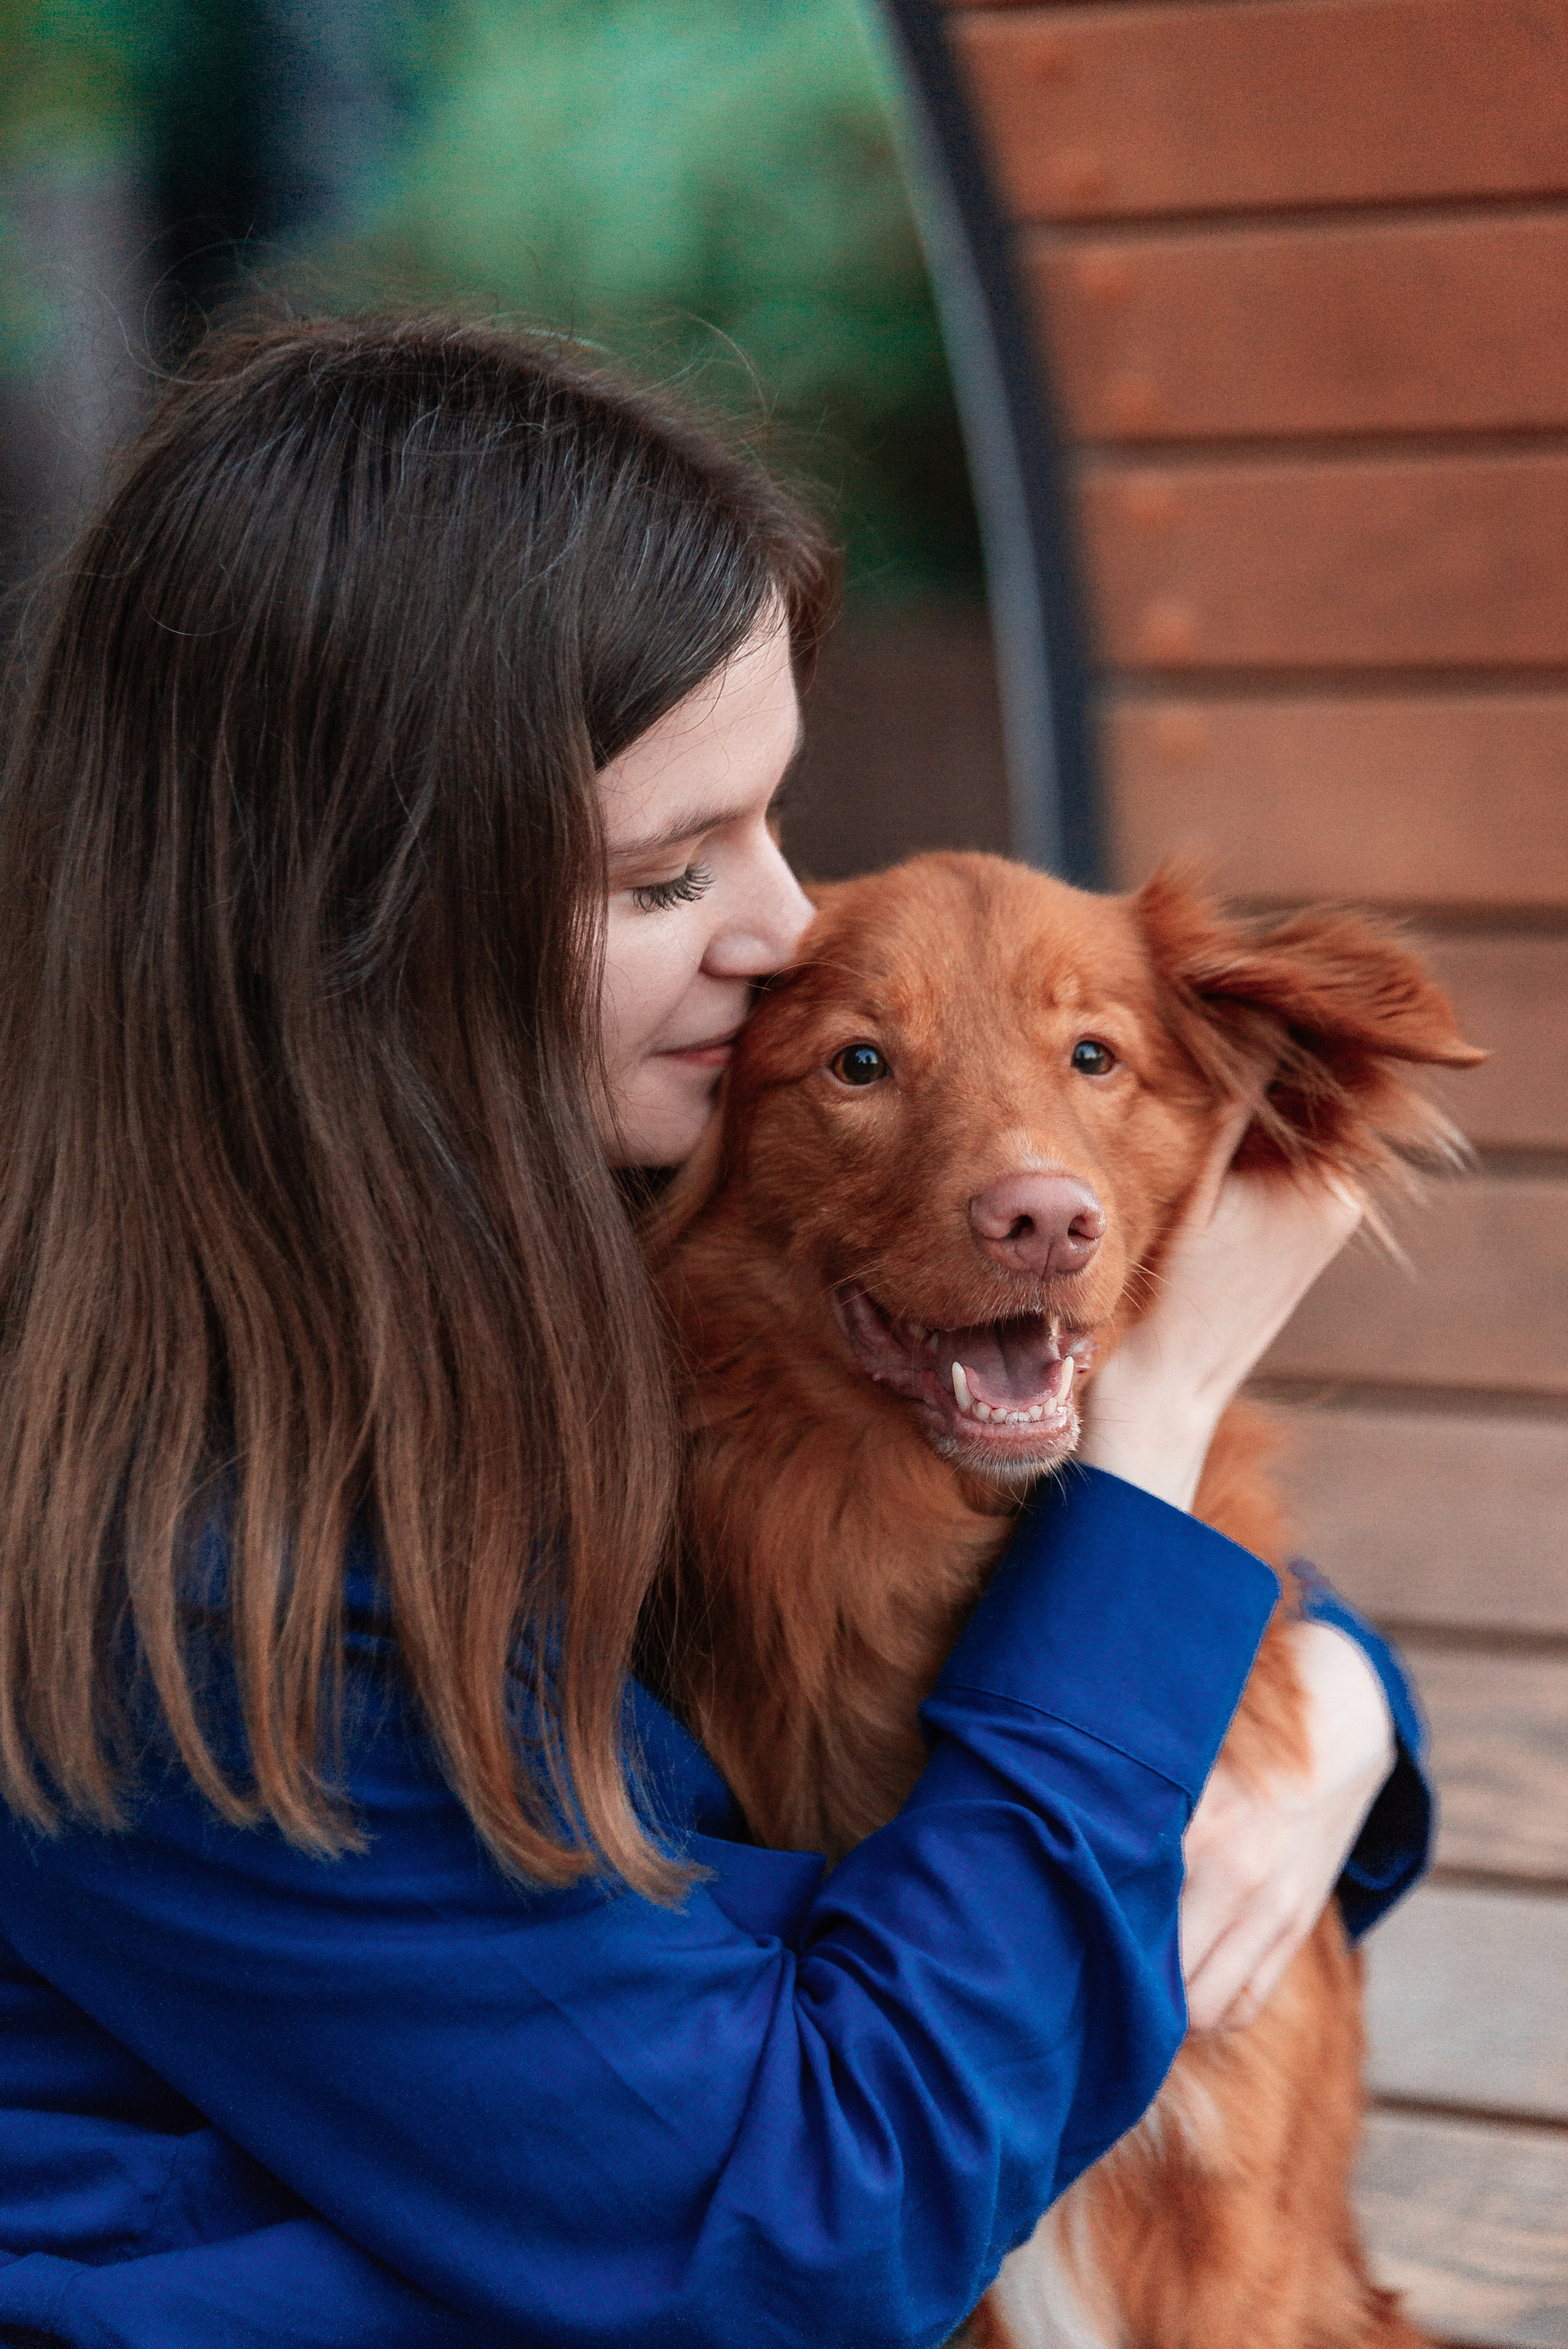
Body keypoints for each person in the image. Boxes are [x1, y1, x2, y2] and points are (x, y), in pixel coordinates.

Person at [0, 318, 1427, 2349]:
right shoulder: (195, 1571)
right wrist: (1164, 1407)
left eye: (772, 815)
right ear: (369, 920)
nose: (780, 927)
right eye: (673, 868)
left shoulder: (521, 1239)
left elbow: (1031, 1596)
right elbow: (810, 2221)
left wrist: (1343, 1719)